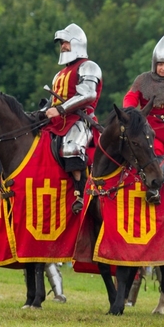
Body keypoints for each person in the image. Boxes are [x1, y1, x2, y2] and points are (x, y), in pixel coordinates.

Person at [43, 23, 102, 214]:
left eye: (66, 43)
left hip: (80, 120)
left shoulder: (88, 66)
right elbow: (53, 100)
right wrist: (44, 112)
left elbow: (88, 95)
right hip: (58, 121)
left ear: (77, 43)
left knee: (72, 148)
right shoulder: (59, 74)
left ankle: (80, 192)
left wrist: (60, 109)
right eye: (61, 43)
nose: (63, 46)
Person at [123, 36, 164, 157]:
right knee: (154, 153)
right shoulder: (143, 80)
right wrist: (131, 112)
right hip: (150, 128)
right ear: (155, 64)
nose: (163, 68)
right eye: (160, 65)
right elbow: (130, 98)